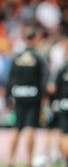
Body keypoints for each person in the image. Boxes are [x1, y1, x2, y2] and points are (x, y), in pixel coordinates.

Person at [5, 24, 49, 167]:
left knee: (17, 127)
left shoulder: (16, 56)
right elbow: (44, 79)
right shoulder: (39, 57)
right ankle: (29, 161)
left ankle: (11, 159)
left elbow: (10, 78)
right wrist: (44, 97)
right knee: (30, 127)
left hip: (18, 95)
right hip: (33, 96)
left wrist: (7, 97)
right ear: (35, 38)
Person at [54, 37, 68, 166]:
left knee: (64, 133)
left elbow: (53, 87)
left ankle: (66, 160)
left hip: (64, 103)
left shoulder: (62, 68)